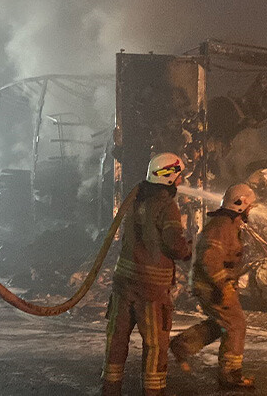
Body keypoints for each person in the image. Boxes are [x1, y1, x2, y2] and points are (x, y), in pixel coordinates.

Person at [102, 152, 192, 396]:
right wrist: (188, 249)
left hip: (123, 285)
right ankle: (153, 393)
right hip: (151, 291)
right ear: (169, 176)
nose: (181, 181)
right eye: (179, 176)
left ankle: (110, 390)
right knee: (155, 345)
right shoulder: (166, 206)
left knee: (117, 341)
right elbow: (174, 244)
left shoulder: (135, 200)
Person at [170, 183, 257, 389]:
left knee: (222, 322)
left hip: (210, 284)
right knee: (236, 325)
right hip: (211, 285)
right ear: (240, 206)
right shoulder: (222, 227)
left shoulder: (227, 225)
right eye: (249, 206)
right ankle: (230, 375)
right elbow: (209, 259)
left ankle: (183, 345)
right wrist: (224, 285)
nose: (251, 210)